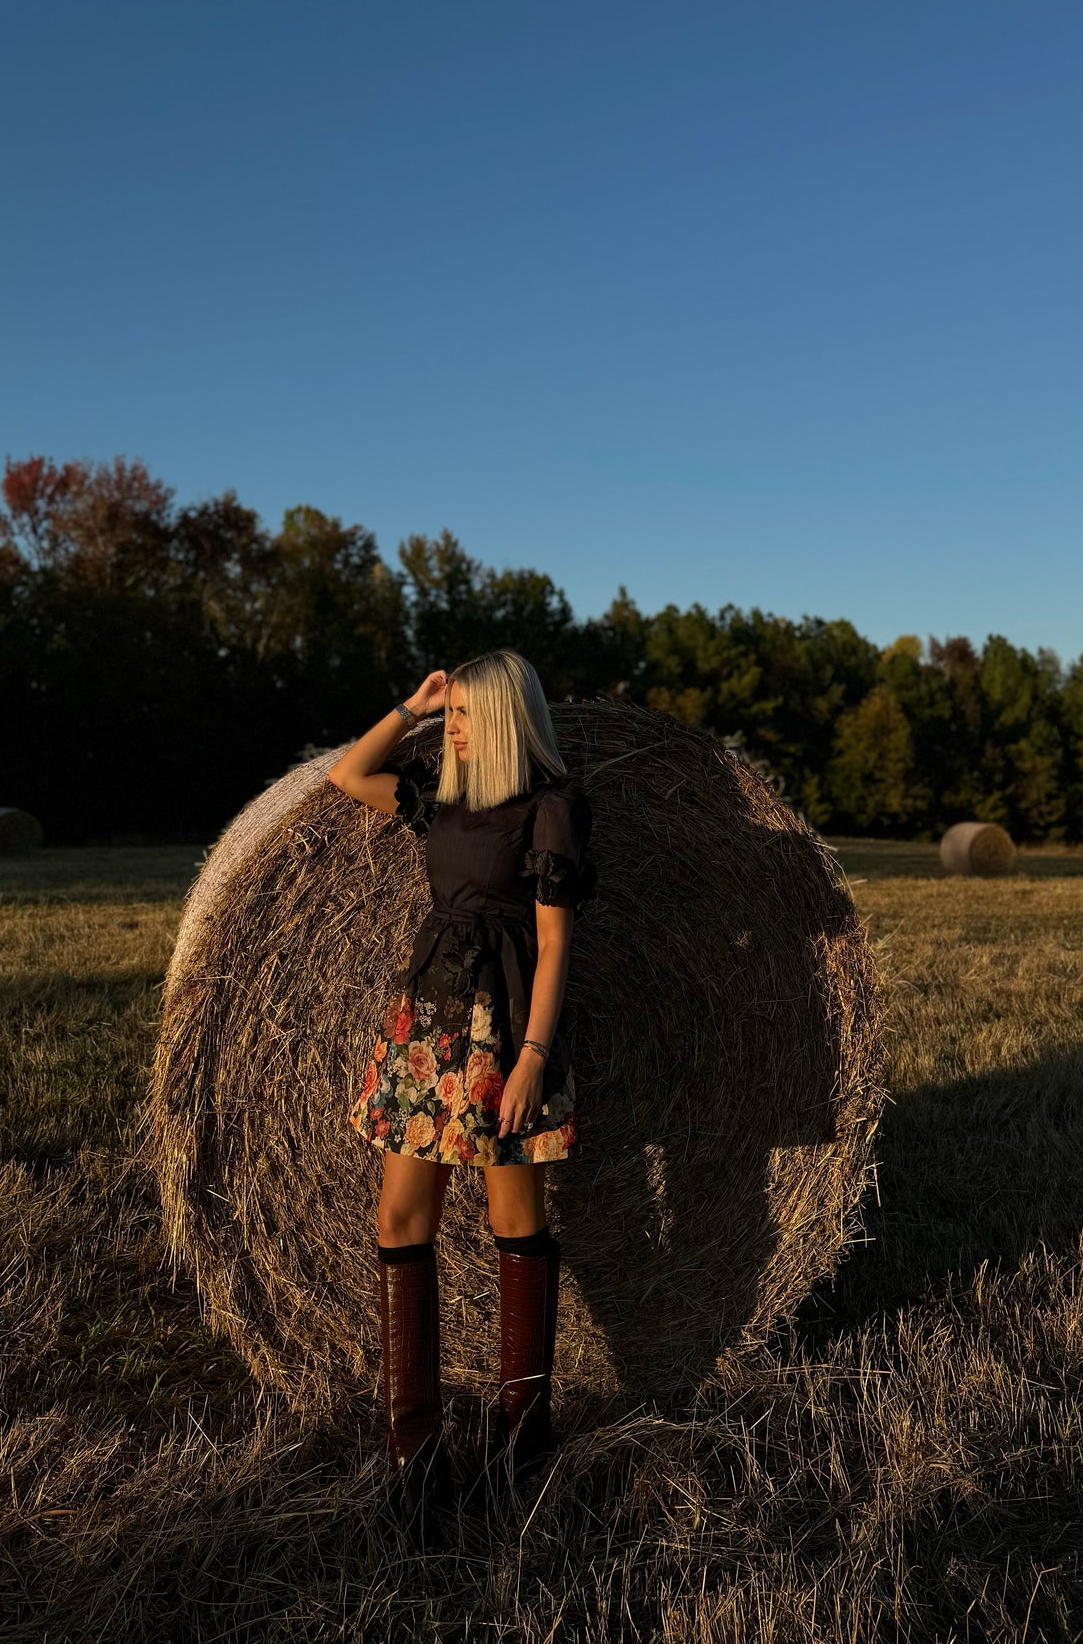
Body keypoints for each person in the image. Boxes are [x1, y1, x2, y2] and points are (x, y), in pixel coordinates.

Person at [326, 648, 596, 1533]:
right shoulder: (441, 798)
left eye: (470, 716)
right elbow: (346, 772)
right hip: (426, 1025)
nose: (456, 730)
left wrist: (530, 1055)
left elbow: (554, 946)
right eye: (453, 719)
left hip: (505, 1028)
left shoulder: (550, 808)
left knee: (516, 1221)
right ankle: (415, 1455)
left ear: (508, 719)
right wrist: (413, 707)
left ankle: (526, 1442)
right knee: (399, 1221)